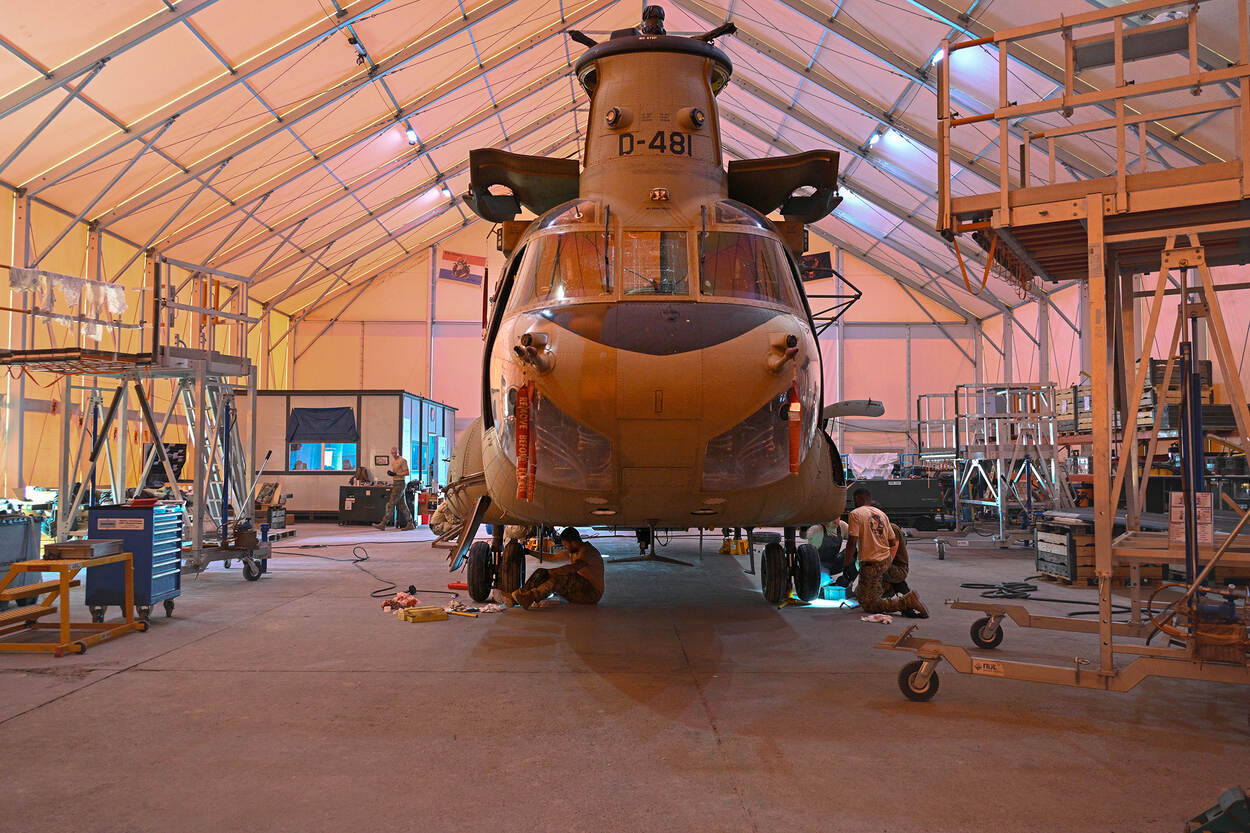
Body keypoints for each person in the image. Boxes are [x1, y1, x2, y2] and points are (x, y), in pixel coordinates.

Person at [841, 487, 927, 617]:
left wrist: (846, 565)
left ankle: (906, 602)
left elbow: (852, 542)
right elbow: (892, 542)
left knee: (869, 605)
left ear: (858, 499)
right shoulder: (882, 515)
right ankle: (898, 596)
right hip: (885, 561)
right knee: (862, 593)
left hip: (872, 563)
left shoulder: (856, 513)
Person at [506, 527, 603, 609]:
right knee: (541, 572)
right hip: (579, 591)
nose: (565, 547)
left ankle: (529, 598)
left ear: (573, 542)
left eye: (565, 544)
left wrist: (550, 572)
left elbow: (573, 568)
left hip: (591, 594)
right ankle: (518, 596)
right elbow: (552, 557)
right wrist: (529, 552)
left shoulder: (587, 552)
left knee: (560, 577)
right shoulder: (574, 551)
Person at [374, 447, 415, 531]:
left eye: (395, 453)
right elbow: (396, 474)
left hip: (400, 483)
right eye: (392, 453)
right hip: (395, 483)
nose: (394, 455)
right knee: (402, 505)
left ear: (398, 452)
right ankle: (410, 523)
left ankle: (383, 523)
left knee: (391, 503)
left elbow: (407, 472)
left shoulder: (402, 461)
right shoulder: (393, 462)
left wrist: (396, 473)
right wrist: (392, 475)